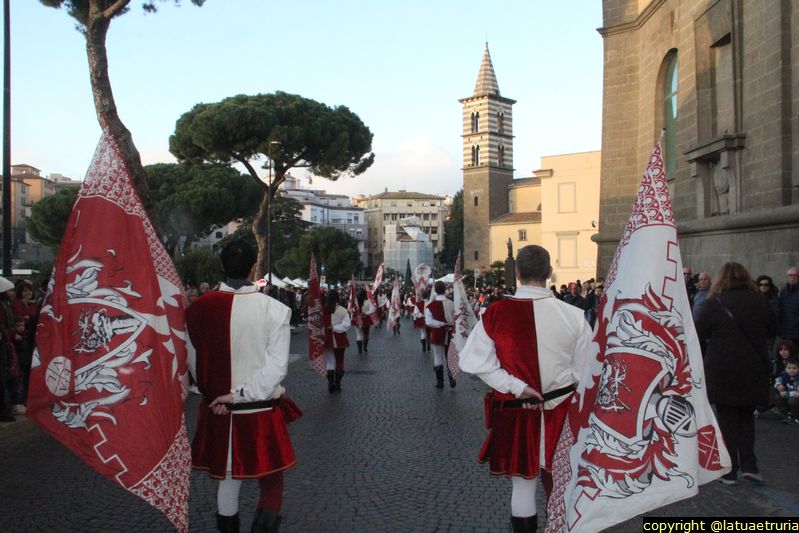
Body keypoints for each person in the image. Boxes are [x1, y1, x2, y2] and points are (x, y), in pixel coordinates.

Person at [459, 245, 592, 532]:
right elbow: (586, 374)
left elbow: (471, 361)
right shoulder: (575, 316)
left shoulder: (495, 314)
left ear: (517, 273)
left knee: (522, 487)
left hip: (518, 413)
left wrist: (517, 387)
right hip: (563, 413)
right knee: (564, 485)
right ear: (549, 272)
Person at [186, 241, 299, 533]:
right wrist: (240, 395)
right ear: (253, 268)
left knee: (227, 479)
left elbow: (193, 361)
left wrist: (217, 394)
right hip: (258, 409)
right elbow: (276, 368)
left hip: (219, 408)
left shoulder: (197, 308)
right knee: (272, 479)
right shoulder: (275, 310)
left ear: (221, 267)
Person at [695, 262, 776, 486]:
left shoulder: (713, 304)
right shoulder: (760, 301)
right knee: (746, 417)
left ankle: (730, 470)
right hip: (752, 368)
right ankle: (750, 465)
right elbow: (772, 329)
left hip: (722, 369)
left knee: (727, 419)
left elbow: (698, 332)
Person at [425, 281, 454, 389]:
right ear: (445, 290)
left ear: (435, 291)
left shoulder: (430, 305)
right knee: (450, 356)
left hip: (437, 333)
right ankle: (452, 378)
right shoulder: (452, 303)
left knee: (438, 356)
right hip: (450, 333)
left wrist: (440, 324)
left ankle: (440, 382)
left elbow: (428, 322)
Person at [323, 289, 351, 393]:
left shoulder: (323, 310)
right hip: (339, 339)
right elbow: (346, 325)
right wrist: (335, 327)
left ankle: (331, 383)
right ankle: (337, 383)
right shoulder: (342, 310)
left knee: (330, 361)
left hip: (327, 338)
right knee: (340, 361)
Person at [774, 358, 799, 424]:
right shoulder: (784, 375)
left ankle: (796, 416)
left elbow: (797, 393)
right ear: (785, 369)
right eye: (789, 368)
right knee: (777, 397)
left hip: (795, 396)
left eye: (794, 368)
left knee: (792, 400)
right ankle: (787, 414)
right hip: (787, 395)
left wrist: (787, 394)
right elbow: (777, 380)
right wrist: (778, 385)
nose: (791, 370)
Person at [778, 266, 799, 344]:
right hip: (784, 332)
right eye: (790, 275)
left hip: (796, 331)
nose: (792, 278)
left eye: (795, 275)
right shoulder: (784, 291)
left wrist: (796, 322)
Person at [355, 288, 374, 354]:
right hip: (366, 319)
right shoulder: (368, 301)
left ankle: (359, 350)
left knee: (359, 334)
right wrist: (366, 313)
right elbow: (372, 309)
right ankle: (365, 347)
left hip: (358, 319)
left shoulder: (355, 302)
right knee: (366, 334)